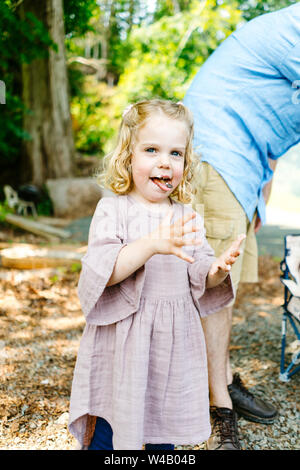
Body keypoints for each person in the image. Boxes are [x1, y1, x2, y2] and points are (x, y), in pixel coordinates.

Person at [68, 99, 246, 450]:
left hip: (171, 342)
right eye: (151, 150)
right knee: (115, 425)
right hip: (124, 343)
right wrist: (152, 243)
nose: (165, 162)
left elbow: (199, 274)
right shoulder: (114, 209)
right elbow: (106, 272)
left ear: (186, 161)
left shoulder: (187, 215)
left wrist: (216, 269)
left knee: (162, 427)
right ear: (128, 155)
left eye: (175, 154)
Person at [183, 3, 300, 450]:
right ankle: (216, 406)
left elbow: (275, 130)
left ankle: (218, 378)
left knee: (227, 287)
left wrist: (261, 196)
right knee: (215, 285)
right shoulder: (295, 26)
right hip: (219, 148)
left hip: (246, 162)